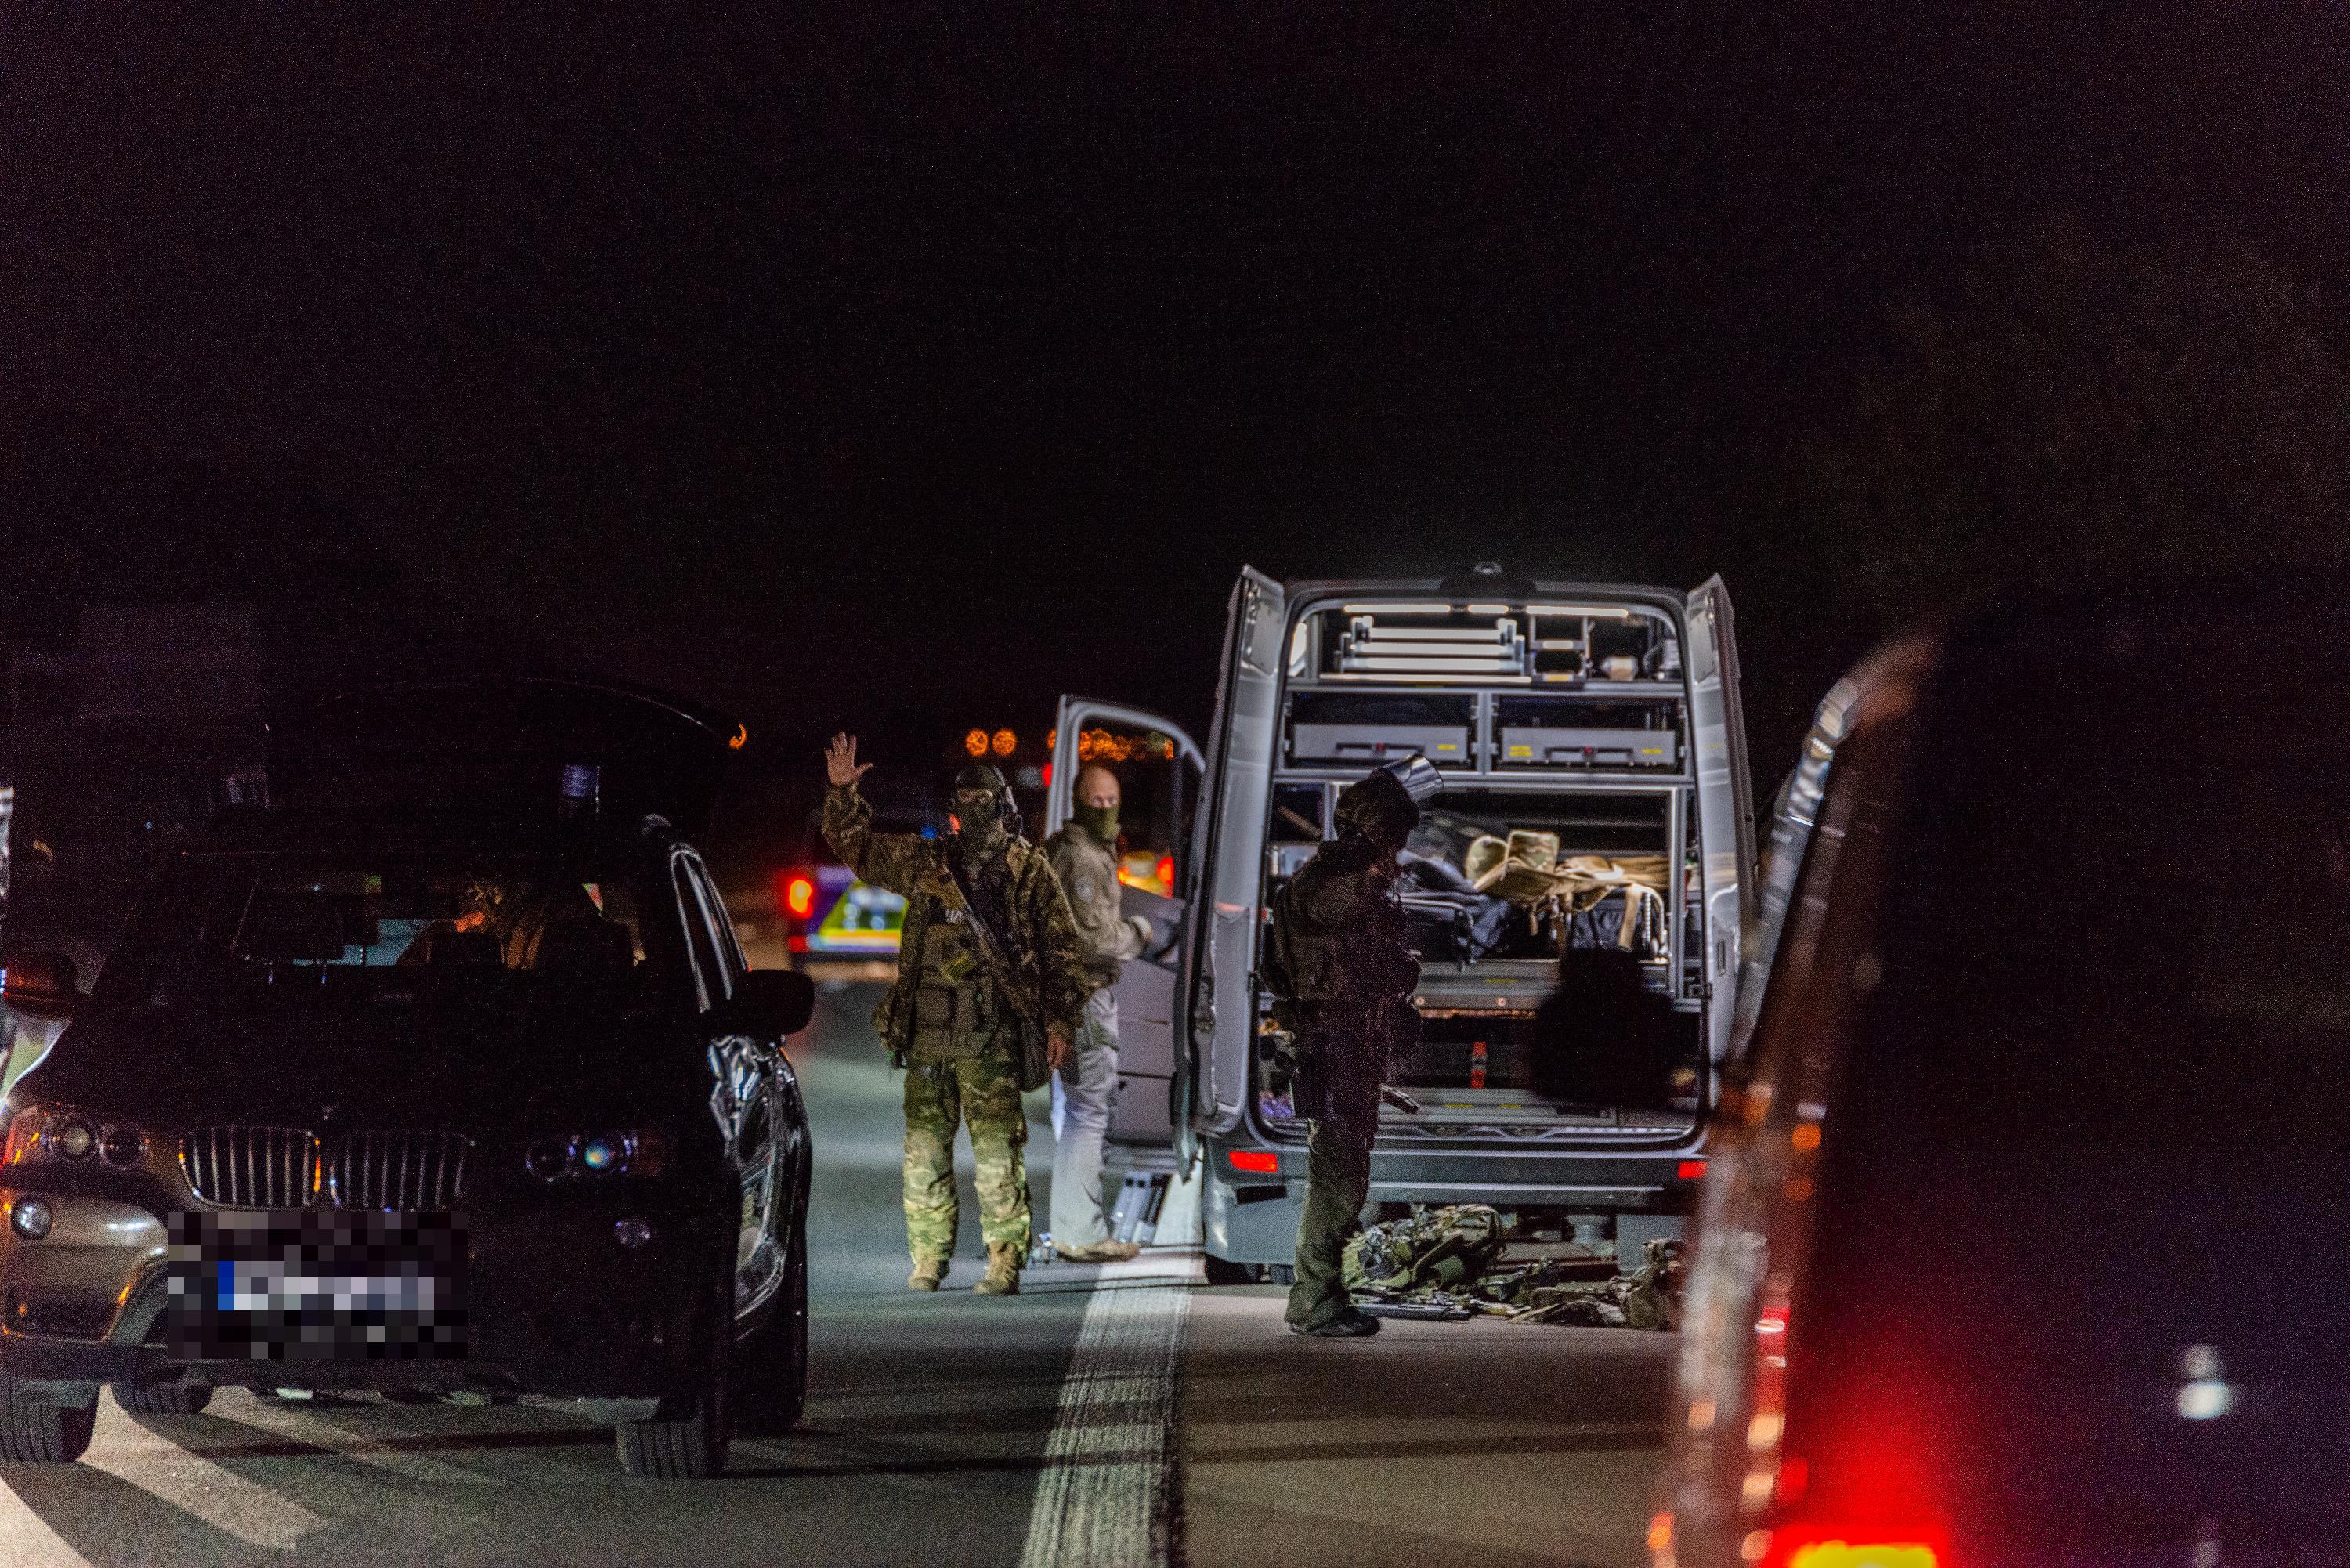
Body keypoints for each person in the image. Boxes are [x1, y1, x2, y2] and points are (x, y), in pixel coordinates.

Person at [822, 733, 1086, 1296]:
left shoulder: (1027, 872)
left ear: (1003, 809)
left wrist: (1060, 1023)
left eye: (983, 803)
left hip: (990, 1037)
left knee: (996, 1153)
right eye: (965, 805)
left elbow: (1063, 952)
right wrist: (843, 792)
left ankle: (1004, 1259)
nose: (973, 814)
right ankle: (928, 1258)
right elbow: (857, 847)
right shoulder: (930, 862)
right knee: (924, 1150)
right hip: (927, 1034)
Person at [1261, 755, 1441, 1337]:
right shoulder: (1333, 883)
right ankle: (1314, 1299)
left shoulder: (1341, 879)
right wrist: (1373, 881)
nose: (1398, 852)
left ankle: (1319, 1294)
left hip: (1349, 1052)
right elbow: (1344, 934)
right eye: (1394, 837)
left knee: (1344, 1179)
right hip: (1332, 1051)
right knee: (1338, 1182)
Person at [1042, 764, 1158, 1264]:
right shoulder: (1084, 860)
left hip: (1073, 997)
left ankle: (1073, 1228)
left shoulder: (1072, 850)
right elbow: (1092, 942)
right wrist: (1140, 933)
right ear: (1078, 800)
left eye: (1113, 799)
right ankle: (1082, 1232)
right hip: (1086, 995)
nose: (1107, 808)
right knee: (1089, 1113)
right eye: (1097, 800)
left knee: (1080, 1113)